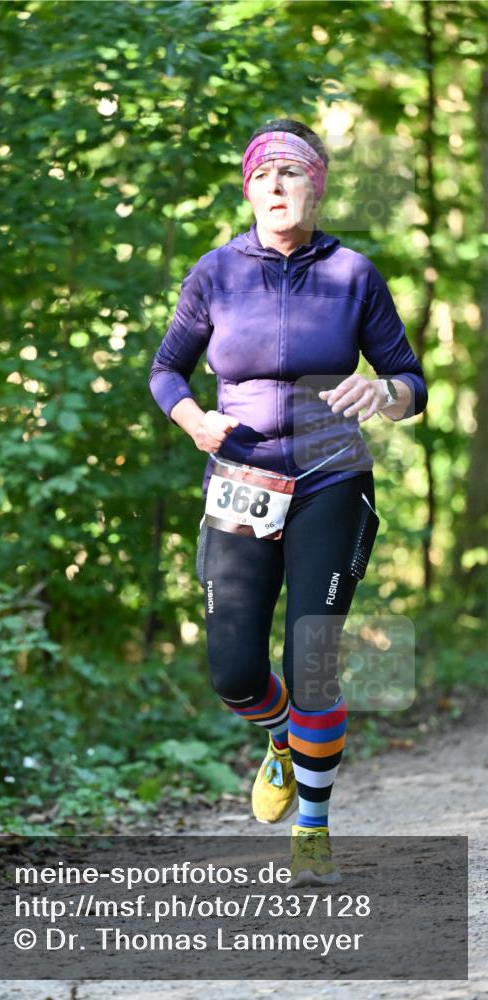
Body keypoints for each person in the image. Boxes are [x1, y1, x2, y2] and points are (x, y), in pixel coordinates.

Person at [148, 119, 428, 887]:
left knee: (311, 661)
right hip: (241, 479)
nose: (275, 185)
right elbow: (166, 371)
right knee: (235, 673)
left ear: (317, 184)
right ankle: (281, 738)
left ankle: (311, 827)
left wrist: (384, 392)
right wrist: (193, 419)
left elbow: (411, 383)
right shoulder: (215, 273)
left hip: (331, 479)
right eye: (261, 174)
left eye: (291, 171)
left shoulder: (352, 274)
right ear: (248, 189)